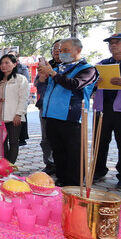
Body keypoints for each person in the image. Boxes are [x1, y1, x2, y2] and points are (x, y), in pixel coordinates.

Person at [37, 38, 98, 187]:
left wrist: (51, 73)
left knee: (74, 154)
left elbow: (75, 84)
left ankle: (75, 186)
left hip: (71, 118)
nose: (61, 53)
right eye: (59, 50)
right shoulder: (58, 69)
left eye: (66, 50)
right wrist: (43, 77)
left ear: (78, 50)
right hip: (51, 116)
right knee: (58, 152)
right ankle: (62, 180)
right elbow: (42, 87)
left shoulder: (88, 69)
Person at [93, 33, 121, 188]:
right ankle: (98, 170)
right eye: (110, 43)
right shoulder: (103, 64)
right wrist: (95, 82)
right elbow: (89, 85)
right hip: (103, 108)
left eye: (117, 42)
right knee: (99, 141)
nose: (113, 45)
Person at [0, 54, 30, 163]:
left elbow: (24, 98)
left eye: (7, 63)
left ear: (14, 64)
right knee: (1, 142)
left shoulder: (20, 79)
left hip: (14, 117)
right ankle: (3, 165)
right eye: (2, 63)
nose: (4, 66)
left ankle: (10, 166)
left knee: (13, 142)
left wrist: (19, 114)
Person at [34, 39, 61, 175]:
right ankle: (49, 163)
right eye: (54, 48)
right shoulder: (46, 64)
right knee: (46, 138)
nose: (57, 50)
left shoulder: (71, 67)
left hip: (63, 108)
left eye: (60, 48)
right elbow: (37, 84)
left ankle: (62, 164)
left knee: (61, 138)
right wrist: (41, 79)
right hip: (45, 106)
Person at [8, 50, 30, 146]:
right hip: (9, 100)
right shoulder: (4, 70)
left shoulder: (23, 68)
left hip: (19, 97)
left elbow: (26, 83)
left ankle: (22, 138)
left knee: (21, 117)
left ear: (17, 58)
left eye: (12, 56)